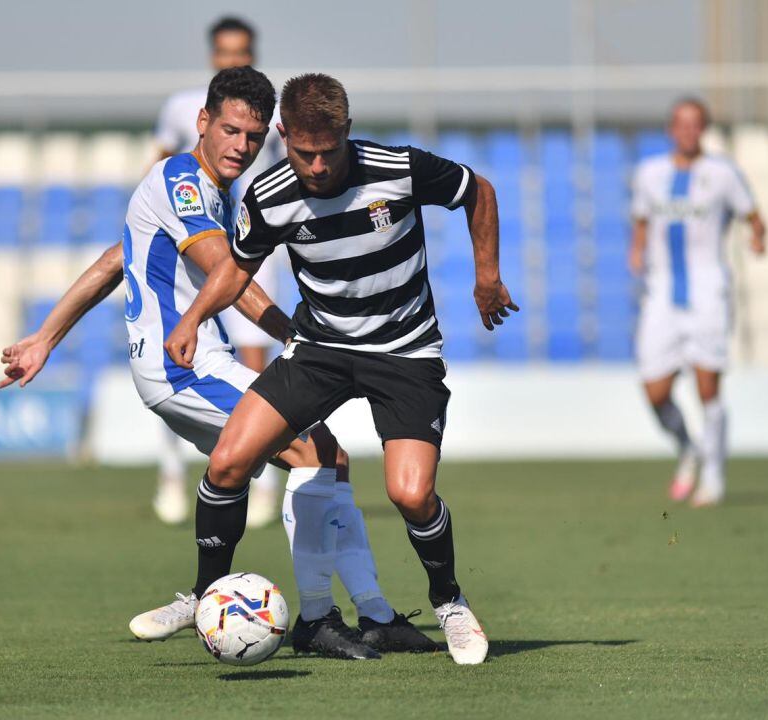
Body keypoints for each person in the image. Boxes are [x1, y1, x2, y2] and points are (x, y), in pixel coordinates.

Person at [0, 67, 436, 659]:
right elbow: (224, 269)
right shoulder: (183, 181)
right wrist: (293, 331)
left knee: (328, 455)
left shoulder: (212, 191)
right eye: (229, 130)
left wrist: (45, 337)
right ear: (201, 123)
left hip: (200, 362)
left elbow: (112, 260)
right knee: (312, 452)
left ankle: (371, 612)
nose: (241, 147)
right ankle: (310, 617)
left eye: (253, 138)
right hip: (183, 367)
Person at [163, 73, 520, 665]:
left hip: (404, 351)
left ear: (346, 132)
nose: (319, 166)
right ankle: (207, 596)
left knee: (410, 493)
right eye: (305, 153)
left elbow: (477, 190)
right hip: (321, 350)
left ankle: (449, 601)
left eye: (329, 152)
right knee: (228, 460)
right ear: (284, 136)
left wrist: (487, 275)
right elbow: (236, 268)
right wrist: (193, 318)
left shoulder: (398, 169)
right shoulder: (269, 194)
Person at [152, 16, 284, 528]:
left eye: (243, 52)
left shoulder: (269, 112)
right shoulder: (183, 108)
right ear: (213, 56)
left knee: (255, 361)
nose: (235, 60)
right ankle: (170, 473)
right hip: (196, 243)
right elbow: (162, 169)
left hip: (254, 246)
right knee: (185, 355)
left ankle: (266, 479)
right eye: (227, 52)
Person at [630, 97, 766, 507]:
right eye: (680, 124)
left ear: (702, 128)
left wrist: (759, 236)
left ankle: (713, 477)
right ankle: (689, 447)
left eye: (695, 124)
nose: (687, 131)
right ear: (672, 128)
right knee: (655, 391)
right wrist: (637, 250)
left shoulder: (722, 174)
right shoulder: (650, 173)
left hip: (707, 292)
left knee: (708, 387)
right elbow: (641, 220)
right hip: (662, 294)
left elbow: (753, 215)